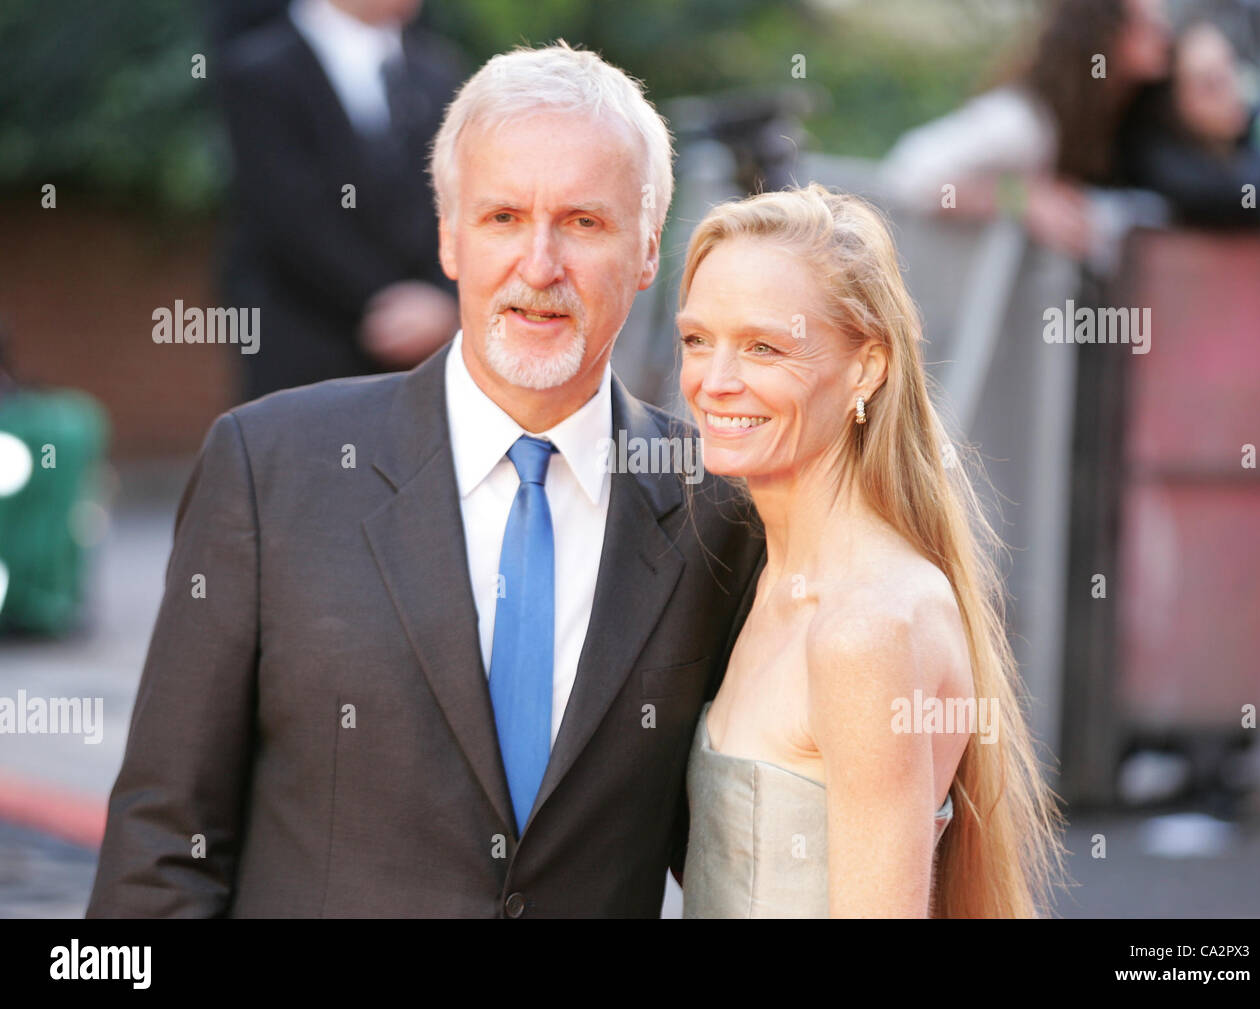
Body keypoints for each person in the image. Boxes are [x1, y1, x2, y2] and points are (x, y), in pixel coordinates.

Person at [86, 42, 765, 918]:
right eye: (502, 218)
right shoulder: (269, 468)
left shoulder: (721, 507)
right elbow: (159, 851)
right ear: (447, 236)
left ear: (647, 252)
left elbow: (727, 846)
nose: (540, 264)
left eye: (584, 223)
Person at [675, 185, 1066, 917]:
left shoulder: (863, 631)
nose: (715, 381)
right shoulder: (771, 580)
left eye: (764, 346)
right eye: (698, 339)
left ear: (867, 366)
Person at [213, 0, 464, 401]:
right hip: (304, 344)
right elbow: (287, 215)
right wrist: (386, 305)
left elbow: (462, 199)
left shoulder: (439, 71)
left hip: (425, 358)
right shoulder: (258, 70)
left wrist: (444, 299)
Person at [877, 0, 1172, 263]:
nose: (1164, 33)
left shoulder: (1126, 120)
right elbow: (910, 174)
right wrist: (1020, 198)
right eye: (1146, 23)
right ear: (1103, 34)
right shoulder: (1023, 121)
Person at [1118, 20, 1260, 228]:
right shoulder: (1166, 167)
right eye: (1211, 85)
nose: (1232, 92)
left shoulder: (1245, 120)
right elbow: (1245, 196)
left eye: (1231, 68)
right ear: (1176, 103)